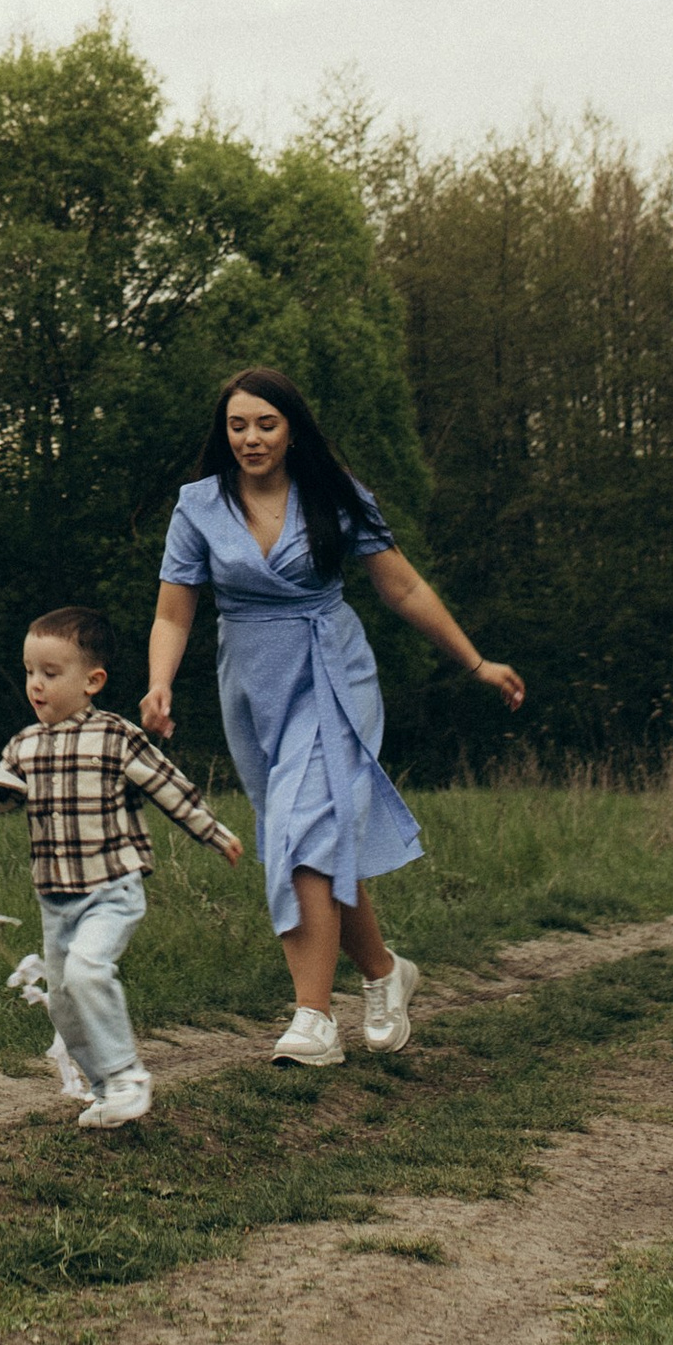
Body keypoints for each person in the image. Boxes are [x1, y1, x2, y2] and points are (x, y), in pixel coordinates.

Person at [144, 367, 523, 1068]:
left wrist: (475, 663)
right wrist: (159, 684)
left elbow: (402, 587)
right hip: (252, 686)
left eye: (266, 424)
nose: (251, 438)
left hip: (331, 675)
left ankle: (313, 1018)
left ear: (292, 430)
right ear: (223, 434)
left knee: (301, 832)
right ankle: (383, 972)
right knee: (308, 839)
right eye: (237, 425)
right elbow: (174, 612)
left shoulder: (335, 494)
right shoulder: (199, 506)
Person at [1, 603, 245, 1132]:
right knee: (64, 1004)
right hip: (54, 899)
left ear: (92, 681)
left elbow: (168, 786)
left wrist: (213, 831)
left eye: (50, 673)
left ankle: (128, 1075)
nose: (36, 684)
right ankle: (105, 1090)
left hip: (111, 889)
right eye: (30, 671)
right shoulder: (23, 746)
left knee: (88, 971)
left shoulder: (114, 736)